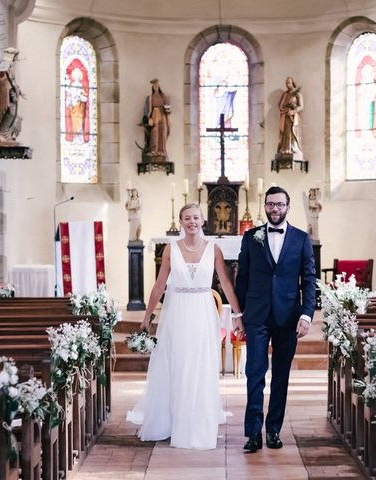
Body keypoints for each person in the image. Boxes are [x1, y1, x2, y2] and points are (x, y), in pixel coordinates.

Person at [127, 203, 242, 450]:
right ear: (181, 222)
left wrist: (237, 314)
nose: (192, 222)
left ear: (203, 221)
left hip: (202, 312)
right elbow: (159, 286)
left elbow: (226, 283)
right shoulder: (171, 249)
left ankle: (196, 420)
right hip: (176, 311)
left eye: (196, 218)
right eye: (187, 218)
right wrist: (147, 317)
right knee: (176, 363)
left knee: (200, 365)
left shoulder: (214, 249)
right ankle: (173, 419)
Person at [234, 186, 316, 453]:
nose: (274, 209)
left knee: (281, 375)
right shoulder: (251, 237)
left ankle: (273, 430)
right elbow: (242, 277)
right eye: (270, 204)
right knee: (254, 373)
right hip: (257, 315)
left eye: (279, 205)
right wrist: (238, 313)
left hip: (289, 317)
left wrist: (306, 313)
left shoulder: (302, 239)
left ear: (288, 207)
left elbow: (309, 279)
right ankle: (253, 433)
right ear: (265, 206)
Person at [0, 48, 23, 146]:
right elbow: (7, 78)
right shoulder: (6, 64)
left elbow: (13, 79)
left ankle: (5, 134)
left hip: (12, 91)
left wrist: (18, 90)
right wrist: (14, 88)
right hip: (8, 91)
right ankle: (0, 134)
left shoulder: (10, 66)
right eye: (14, 55)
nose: (15, 58)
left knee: (13, 114)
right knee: (10, 112)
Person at [276, 76, 304, 160]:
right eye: (286, 83)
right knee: (285, 133)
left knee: (292, 132)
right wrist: (284, 109)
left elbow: (301, 106)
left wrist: (293, 111)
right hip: (285, 116)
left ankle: (293, 148)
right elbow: (280, 105)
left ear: (292, 82)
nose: (287, 84)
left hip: (293, 117)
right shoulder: (285, 94)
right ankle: (285, 149)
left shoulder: (297, 93)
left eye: (289, 82)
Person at [143, 79, 171, 157]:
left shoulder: (163, 96)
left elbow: (167, 105)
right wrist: (147, 118)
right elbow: (146, 109)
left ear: (159, 87)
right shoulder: (150, 97)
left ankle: (162, 150)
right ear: (152, 87)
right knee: (154, 132)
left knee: (163, 131)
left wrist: (168, 117)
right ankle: (154, 150)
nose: (156, 87)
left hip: (162, 115)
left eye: (157, 86)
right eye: (154, 86)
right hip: (154, 115)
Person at [65, 67, 89, 142]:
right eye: (76, 75)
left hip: (80, 107)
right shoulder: (71, 86)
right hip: (74, 107)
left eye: (78, 75)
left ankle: (80, 139)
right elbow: (69, 96)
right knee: (74, 123)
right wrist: (68, 103)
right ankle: (75, 139)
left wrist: (80, 97)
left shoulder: (82, 86)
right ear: (74, 76)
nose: (77, 77)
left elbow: (84, 96)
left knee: (80, 122)